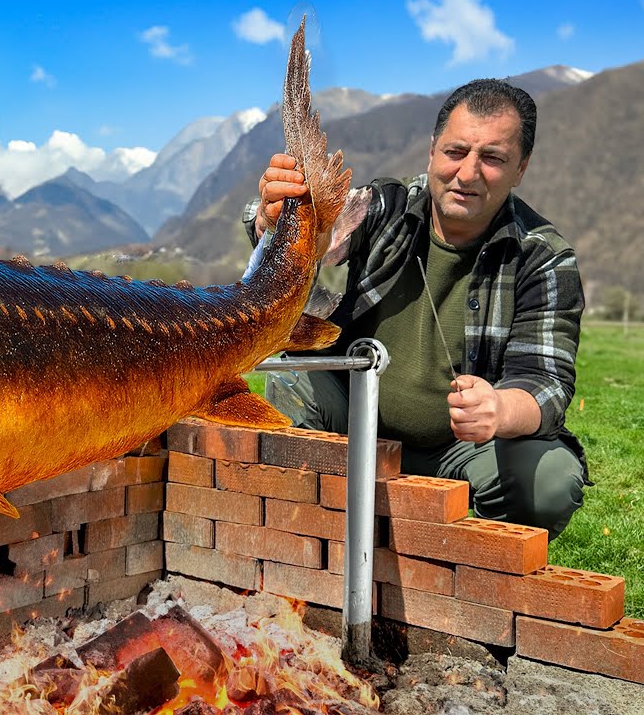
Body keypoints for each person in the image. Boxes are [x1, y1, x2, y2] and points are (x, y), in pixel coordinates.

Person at [245, 78, 586, 539]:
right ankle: (313, 535)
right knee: (292, 377)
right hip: (355, 422)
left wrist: (500, 408)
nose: (467, 173)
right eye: (455, 152)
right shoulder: (386, 207)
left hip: (463, 448)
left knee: (550, 480)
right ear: (431, 151)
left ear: (520, 168)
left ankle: (468, 559)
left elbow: (546, 382)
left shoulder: (542, 257)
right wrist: (275, 219)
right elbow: (322, 233)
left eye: (492, 158)